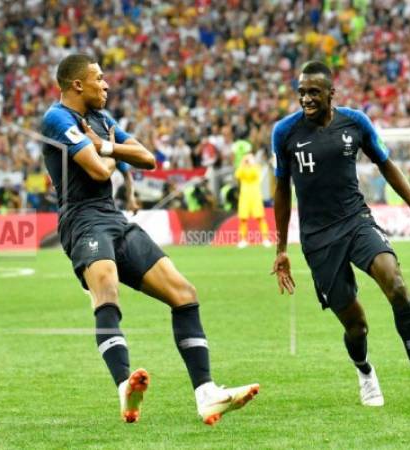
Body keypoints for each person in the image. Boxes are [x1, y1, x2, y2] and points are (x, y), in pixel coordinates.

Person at [41, 53, 259, 425]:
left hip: (114, 218)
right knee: (106, 288)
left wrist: (106, 146)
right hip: (81, 220)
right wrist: (106, 154)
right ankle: (124, 384)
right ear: (77, 84)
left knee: (184, 293)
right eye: (99, 78)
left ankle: (206, 394)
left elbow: (148, 158)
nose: (106, 84)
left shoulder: (102, 120)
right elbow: (95, 170)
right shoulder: (57, 119)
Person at [272, 60, 410, 407]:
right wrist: (280, 248)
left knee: (395, 284)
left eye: (313, 92)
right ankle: (365, 371)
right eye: (301, 92)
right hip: (318, 239)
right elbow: (281, 190)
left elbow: (385, 164)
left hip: (356, 220)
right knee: (356, 325)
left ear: (331, 94)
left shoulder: (356, 123)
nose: (306, 99)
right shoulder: (285, 133)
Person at [235, 153, 271, 248]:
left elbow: (255, 174)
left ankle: (265, 239)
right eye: (246, 159)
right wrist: (242, 164)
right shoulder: (242, 169)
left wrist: (252, 164)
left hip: (255, 196)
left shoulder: (256, 167)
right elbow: (237, 175)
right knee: (243, 219)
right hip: (244, 196)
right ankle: (243, 240)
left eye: (249, 159)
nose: (248, 161)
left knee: (260, 218)